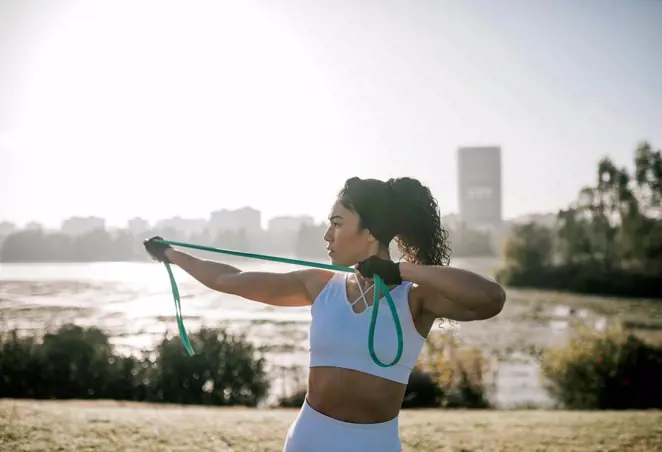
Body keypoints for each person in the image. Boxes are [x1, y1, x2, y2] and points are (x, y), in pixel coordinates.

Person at [143, 176, 506, 452]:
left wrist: (404, 271)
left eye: (337, 222)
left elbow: (491, 298)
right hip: (308, 440)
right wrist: (172, 254)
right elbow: (230, 278)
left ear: (369, 232)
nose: (327, 235)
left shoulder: (415, 299)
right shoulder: (319, 285)